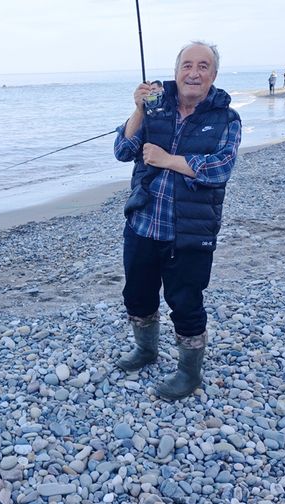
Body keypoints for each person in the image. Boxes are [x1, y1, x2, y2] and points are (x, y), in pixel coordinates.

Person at [113, 41, 241, 401]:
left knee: (185, 302)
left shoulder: (226, 118)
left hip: (190, 232)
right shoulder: (156, 107)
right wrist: (137, 110)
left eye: (203, 66)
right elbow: (123, 151)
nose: (194, 73)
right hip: (142, 225)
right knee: (137, 295)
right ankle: (146, 350)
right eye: (187, 65)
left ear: (213, 75)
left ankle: (188, 373)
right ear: (176, 71)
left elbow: (220, 169)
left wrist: (168, 159)